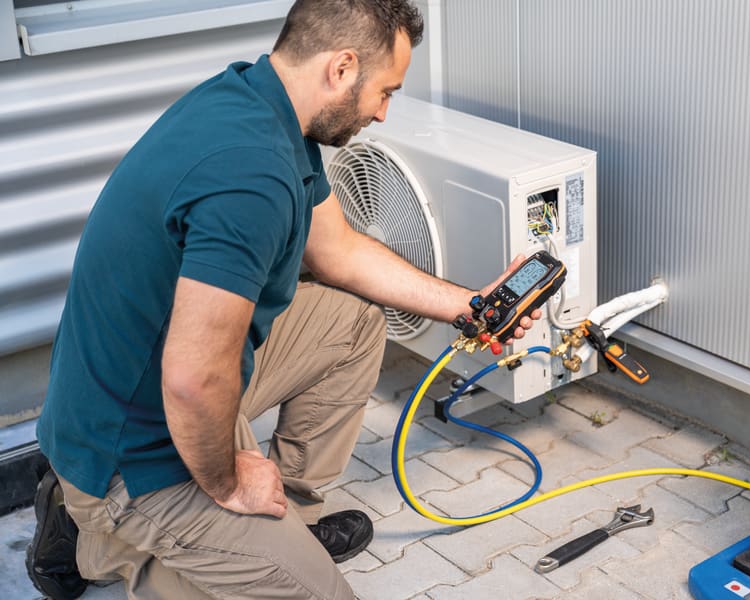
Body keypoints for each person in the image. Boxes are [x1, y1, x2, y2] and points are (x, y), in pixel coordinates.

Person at [26, 1, 538, 599]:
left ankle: (284, 519)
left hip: (126, 394)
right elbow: (194, 381)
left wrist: (469, 306)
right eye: (385, 91)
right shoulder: (251, 175)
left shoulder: (253, 102)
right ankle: (99, 531)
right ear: (343, 67)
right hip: (135, 450)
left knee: (351, 324)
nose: (383, 112)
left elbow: (339, 251)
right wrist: (228, 483)